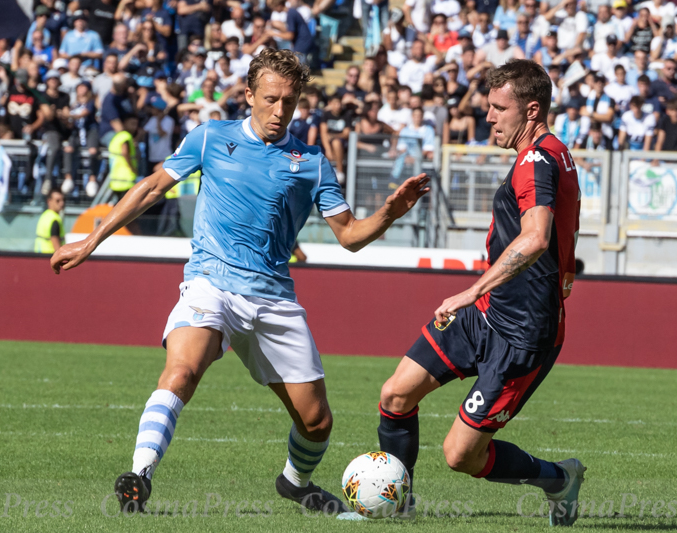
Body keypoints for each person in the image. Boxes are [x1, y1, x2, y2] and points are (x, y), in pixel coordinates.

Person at [49, 48, 429, 515]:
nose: (279, 110)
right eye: (270, 99)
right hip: (211, 283)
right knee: (182, 370)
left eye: (289, 102)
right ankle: (140, 474)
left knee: (317, 422)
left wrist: (389, 212)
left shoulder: (310, 162)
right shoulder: (210, 138)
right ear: (249, 94)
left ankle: (295, 483)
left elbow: (349, 236)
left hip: (273, 299)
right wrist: (90, 241)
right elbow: (151, 187)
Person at [373, 59, 584, 527]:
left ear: (531, 111)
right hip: (487, 314)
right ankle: (397, 506)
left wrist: (471, 290)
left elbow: (536, 237)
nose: (488, 116)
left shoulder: (536, 161)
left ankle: (558, 479)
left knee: (461, 456)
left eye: (497, 108)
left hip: (522, 334)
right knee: (395, 396)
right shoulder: (549, 153)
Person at [107, 113, 139, 200]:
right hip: (126, 178)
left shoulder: (116, 137)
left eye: (136, 124)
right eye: (132, 123)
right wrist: (132, 168)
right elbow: (125, 152)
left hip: (116, 179)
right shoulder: (126, 136)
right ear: (125, 123)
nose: (134, 127)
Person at [34, 187, 65, 253]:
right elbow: (57, 248)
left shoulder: (45, 215)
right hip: (50, 257)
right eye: (57, 201)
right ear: (49, 201)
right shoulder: (55, 220)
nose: (61, 203)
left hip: (39, 256)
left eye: (63, 200)